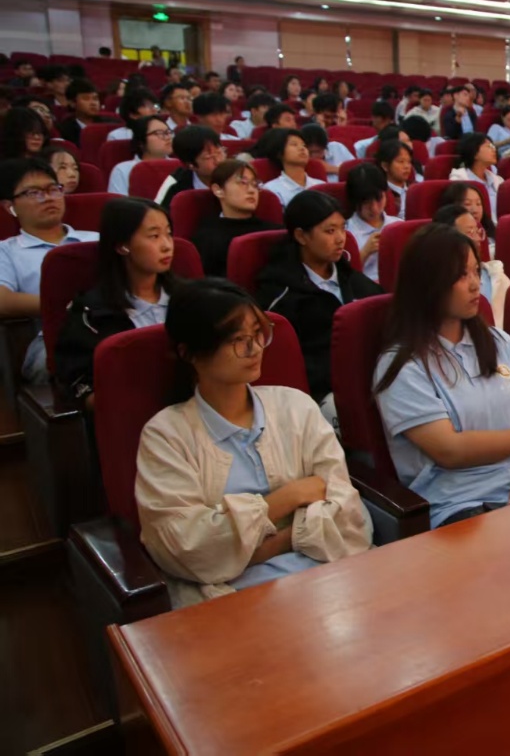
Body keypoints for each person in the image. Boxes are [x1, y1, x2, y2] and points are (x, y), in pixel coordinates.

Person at [135, 279, 370, 607]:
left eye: (258, 334)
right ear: (189, 353)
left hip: (329, 576)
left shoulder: (295, 407)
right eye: (237, 340)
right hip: (234, 600)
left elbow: (348, 516)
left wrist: (244, 547)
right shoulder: (166, 436)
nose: (255, 348)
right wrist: (289, 498)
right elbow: (186, 550)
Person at [373, 226, 510, 527]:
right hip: (459, 503)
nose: (476, 284)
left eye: (476, 271)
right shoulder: (402, 365)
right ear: (428, 283)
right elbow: (450, 450)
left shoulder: (499, 342)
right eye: (461, 275)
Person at [255, 191, 382, 416]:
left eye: (343, 228)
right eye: (330, 231)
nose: (340, 238)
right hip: (320, 394)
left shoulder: (351, 278)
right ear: (301, 236)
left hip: (372, 377)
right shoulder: (280, 294)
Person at [55, 198, 180, 409]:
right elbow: (80, 383)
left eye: (169, 234)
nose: (167, 246)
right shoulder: (93, 314)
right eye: (154, 236)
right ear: (122, 246)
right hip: (132, 411)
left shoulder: (188, 296)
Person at [0, 157, 99, 382]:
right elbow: (2, 300)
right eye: (34, 193)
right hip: (55, 338)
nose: (48, 198)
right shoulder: (6, 251)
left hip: (116, 323)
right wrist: (70, 307)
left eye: (53, 189)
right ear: (10, 207)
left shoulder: (96, 239)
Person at [191, 160, 282, 278]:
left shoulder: (274, 233)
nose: (251, 190)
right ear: (218, 190)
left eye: (254, 184)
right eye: (243, 183)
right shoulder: (207, 237)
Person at [431, 203, 510, 326]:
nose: (478, 239)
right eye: (470, 233)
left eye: (477, 231)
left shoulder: (494, 273)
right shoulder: (440, 285)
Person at [343, 163, 402, 283]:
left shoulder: (399, 225)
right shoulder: (345, 233)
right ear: (355, 201)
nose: (374, 208)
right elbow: (343, 278)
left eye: (379, 199)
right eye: (366, 202)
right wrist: (365, 252)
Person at [155, 126, 225, 205]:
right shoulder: (176, 184)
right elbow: (159, 211)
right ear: (191, 165)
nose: (218, 161)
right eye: (208, 157)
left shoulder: (233, 173)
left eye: (219, 152)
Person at [108, 115, 173, 195]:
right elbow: (119, 202)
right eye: (159, 133)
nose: (168, 137)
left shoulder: (179, 166)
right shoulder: (123, 170)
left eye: (168, 132)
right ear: (141, 141)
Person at [258, 127, 322, 206]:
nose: (302, 148)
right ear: (279, 153)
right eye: (294, 144)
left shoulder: (321, 185)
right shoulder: (271, 190)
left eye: (304, 145)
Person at [449, 133, 503, 218]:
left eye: (493, 146)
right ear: (474, 153)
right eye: (489, 146)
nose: (494, 150)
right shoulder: (459, 179)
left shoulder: (498, 180)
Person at [53, 79, 104, 146]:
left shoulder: (109, 124)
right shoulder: (63, 130)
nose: (93, 103)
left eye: (95, 99)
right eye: (86, 99)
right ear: (72, 103)